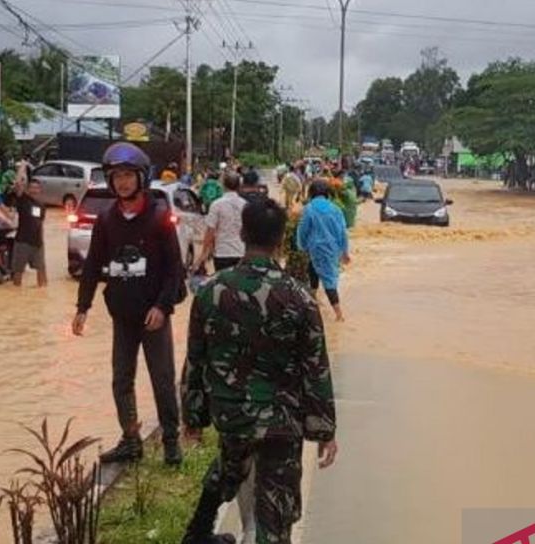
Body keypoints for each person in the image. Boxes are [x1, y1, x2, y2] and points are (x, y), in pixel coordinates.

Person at [181, 198, 337, 544]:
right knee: (274, 514)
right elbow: (316, 369)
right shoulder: (299, 298)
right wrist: (324, 430)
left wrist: (192, 416)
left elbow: (196, 358)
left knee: (230, 464)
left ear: (241, 232)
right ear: (282, 239)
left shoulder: (211, 291)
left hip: (231, 415)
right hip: (282, 422)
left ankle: (198, 532)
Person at [73, 142, 185, 466]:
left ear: (141, 177)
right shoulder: (106, 219)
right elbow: (93, 265)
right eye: (116, 176)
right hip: (122, 315)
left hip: (154, 316)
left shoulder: (160, 218)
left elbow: (174, 270)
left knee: (162, 378)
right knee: (121, 379)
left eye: (127, 175)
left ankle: (170, 440)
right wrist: (83, 307)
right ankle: (130, 439)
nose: (122, 182)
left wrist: (162, 307)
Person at [296, 179, 350, 322]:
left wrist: (301, 246)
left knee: (323, 279)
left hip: (315, 249)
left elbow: (302, 230)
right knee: (324, 276)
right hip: (333, 250)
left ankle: (338, 314)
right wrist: (345, 252)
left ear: (311, 193)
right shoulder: (336, 209)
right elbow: (343, 232)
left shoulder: (309, 209)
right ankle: (318, 307)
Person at [196, 171, 248, 275]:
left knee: (222, 287)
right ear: (239, 186)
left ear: (223, 185)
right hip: (241, 253)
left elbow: (210, 231)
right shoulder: (245, 205)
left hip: (222, 253)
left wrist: (204, 253)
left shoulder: (217, 205)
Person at [11, 178, 48, 287]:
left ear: (40, 190)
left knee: (41, 269)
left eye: (36, 188)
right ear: (27, 189)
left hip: (37, 242)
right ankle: (16, 294)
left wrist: (41, 241)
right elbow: (18, 185)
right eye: (31, 187)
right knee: (18, 270)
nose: (34, 190)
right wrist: (22, 165)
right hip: (23, 241)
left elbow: (40, 223)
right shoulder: (23, 200)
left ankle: (42, 294)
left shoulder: (42, 205)